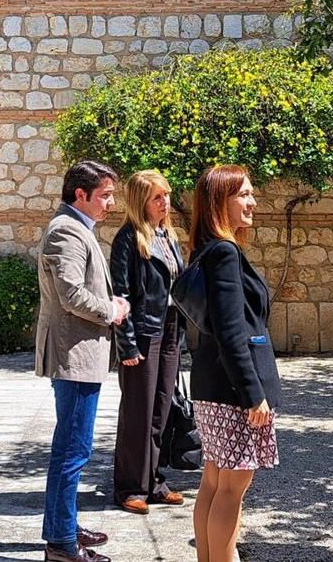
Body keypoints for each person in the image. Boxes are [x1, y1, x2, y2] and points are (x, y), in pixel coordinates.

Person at [35, 160, 130, 562]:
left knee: (74, 448)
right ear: (80, 195)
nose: (110, 203)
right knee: (72, 451)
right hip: (73, 356)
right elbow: (71, 295)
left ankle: (65, 526)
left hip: (81, 355)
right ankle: (60, 544)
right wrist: (111, 310)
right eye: (105, 195)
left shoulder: (77, 229)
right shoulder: (66, 232)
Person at [187, 164, 280, 562]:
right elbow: (230, 331)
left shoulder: (207, 249)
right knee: (231, 488)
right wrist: (252, 394)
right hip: (233, 392)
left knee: (214, 481)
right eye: (243, 194)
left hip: (213, 386)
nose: (252, 201)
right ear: (218, 202)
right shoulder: (223, 253)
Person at [110, 169, 185, 514]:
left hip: (169, 330)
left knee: (161, 411)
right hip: (142, 332)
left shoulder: (167, 236)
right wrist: (127, 345)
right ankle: (130, 488)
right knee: (137, 413)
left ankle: (155, 482)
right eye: (158, 197)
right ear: (142, 201)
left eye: (166, 195)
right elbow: (120, 295)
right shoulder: (128, 239)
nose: (165, 202)